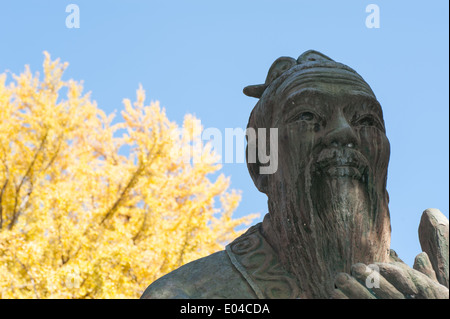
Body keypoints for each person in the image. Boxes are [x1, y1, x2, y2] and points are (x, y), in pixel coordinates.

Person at [141, 50, 449, 299]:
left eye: (366, 120)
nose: (345, 133)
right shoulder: (189, 295)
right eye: (307, 116)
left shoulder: (424, 287)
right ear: (261, 164)